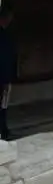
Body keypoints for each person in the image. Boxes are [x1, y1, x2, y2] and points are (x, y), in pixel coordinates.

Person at [0, 9, 17, 140]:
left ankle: (4, 129)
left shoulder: (6, 34)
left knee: (3, 105)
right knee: (3, 105)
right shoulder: (5, 35)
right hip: (3, 77)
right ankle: (3, 130)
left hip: (5, 76)